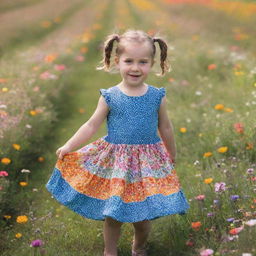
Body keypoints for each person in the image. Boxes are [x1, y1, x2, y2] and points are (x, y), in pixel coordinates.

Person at [45, 29, 190, 256]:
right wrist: (69, 146)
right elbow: (91, 125)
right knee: (114, 214)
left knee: (142, 215)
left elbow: (166, 127)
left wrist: (171, 153)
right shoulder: (110, 96)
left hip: (147, 163)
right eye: (129, 61)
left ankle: (139, 245)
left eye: (143, 62)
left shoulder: (156, 96)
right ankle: (109, 251)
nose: (135, 67)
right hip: (117, 163)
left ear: (152, 63)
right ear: (117, 62)